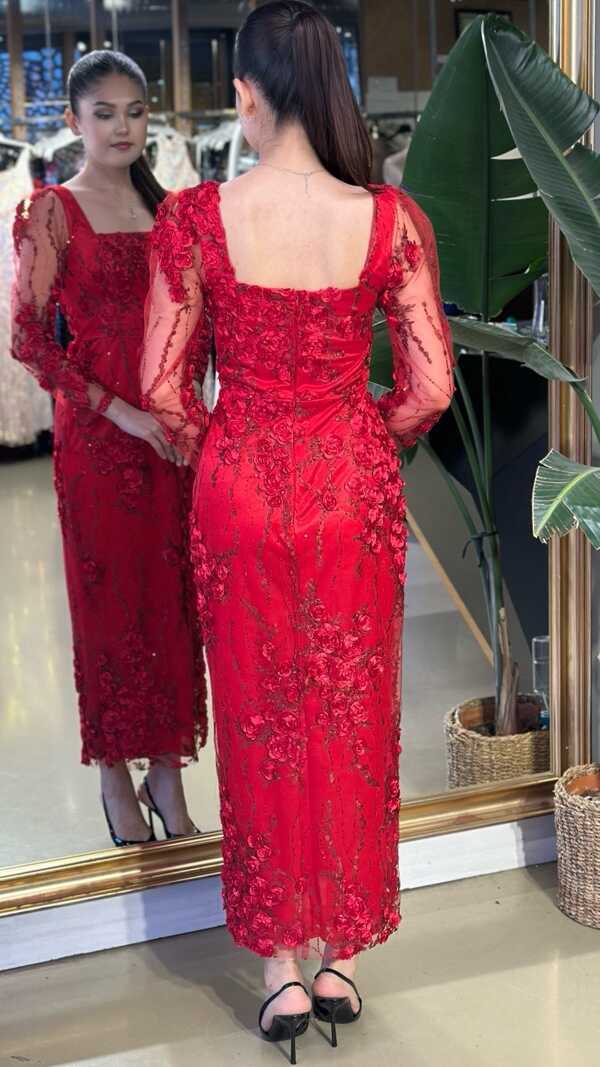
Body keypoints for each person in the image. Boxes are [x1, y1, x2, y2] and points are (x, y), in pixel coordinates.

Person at [141, 1, 454, 1059]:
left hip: (240, 487)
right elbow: (428, 387)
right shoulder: (390, 218)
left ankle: (278, 967)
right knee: (351, 711)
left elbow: (162, 387)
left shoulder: (194, 218)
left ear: (245, 93)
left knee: (260, 713)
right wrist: (359, 440)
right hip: (349, 487)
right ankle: (339, 958)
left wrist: (225, 448)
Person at [11, 51, 207, 847]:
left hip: (173, 437)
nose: (123, 126)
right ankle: (114, 775)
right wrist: (118, 410)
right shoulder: (52, 210)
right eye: (104, 113)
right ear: (73, 122)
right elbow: (28, 339)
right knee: (110, 608)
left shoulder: (174, 210)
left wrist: (189, 409)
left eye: (135, 111)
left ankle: (168, 771)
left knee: (172, 605)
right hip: (99, 442)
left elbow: (198, 319)